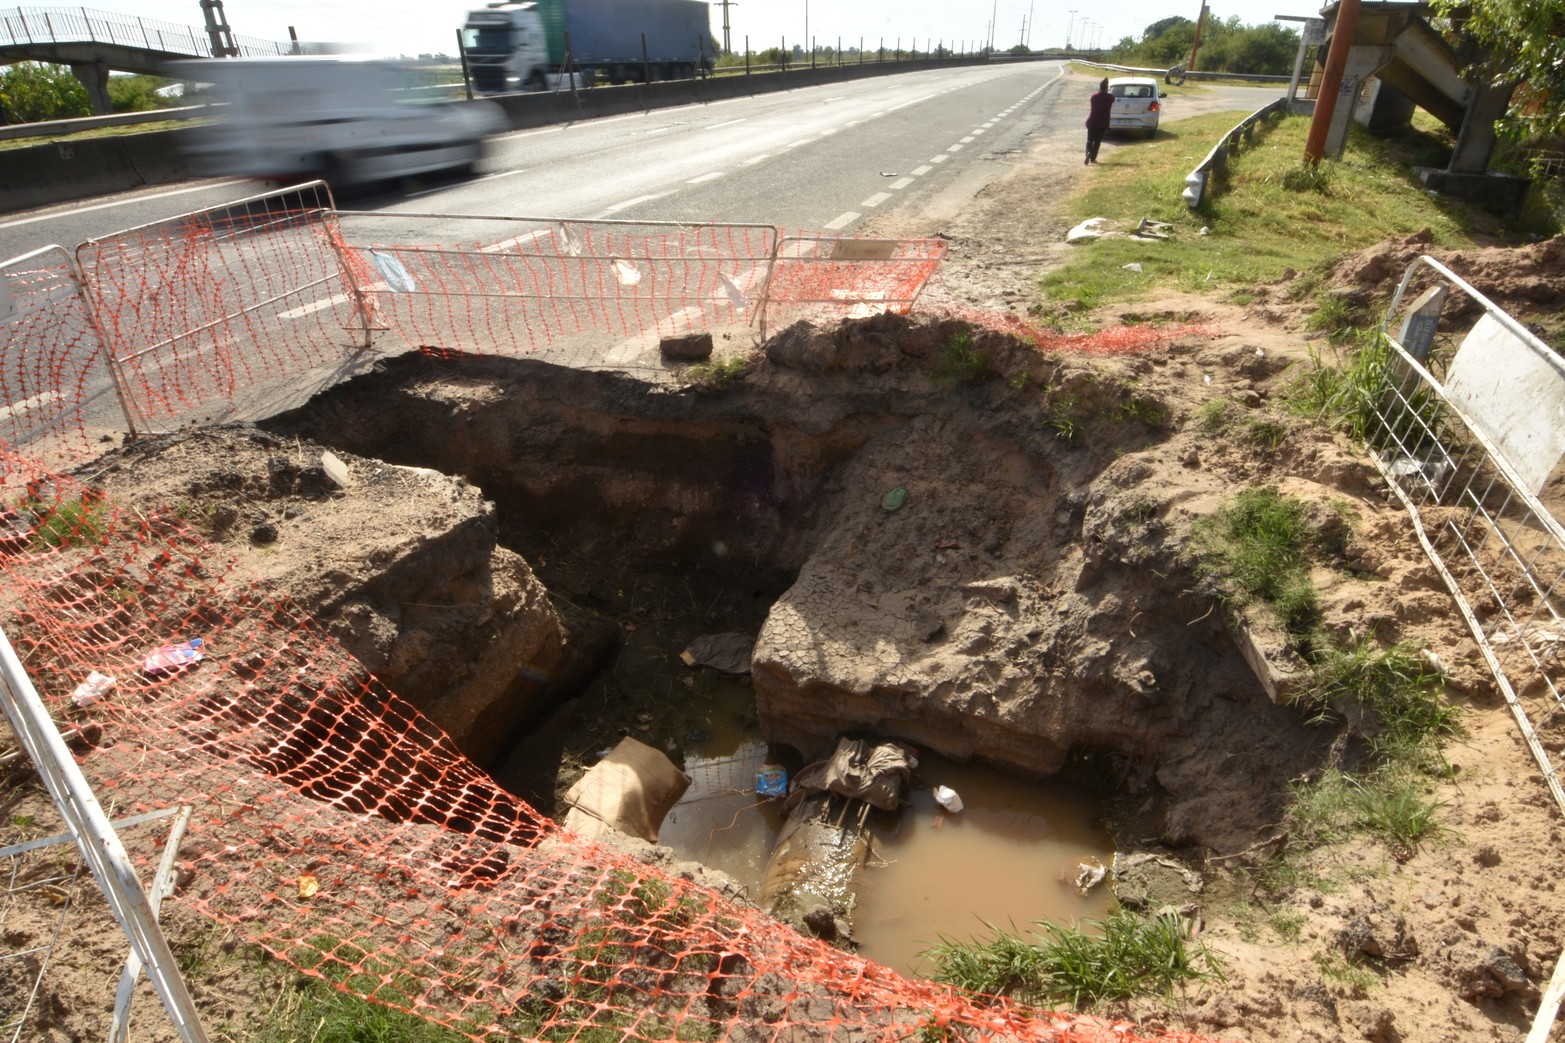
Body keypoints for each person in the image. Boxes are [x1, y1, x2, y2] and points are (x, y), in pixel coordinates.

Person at [1084, 78, 1114, 165]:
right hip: (1102, 123)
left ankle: (1088, 152)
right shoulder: (1110, 97)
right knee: (1097, 142)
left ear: (1100, 87)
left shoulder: (1094, 97)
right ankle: (1093, 158)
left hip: (1092, 121)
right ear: (1107, 88)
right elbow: (1112, 99)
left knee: (1090, 139)